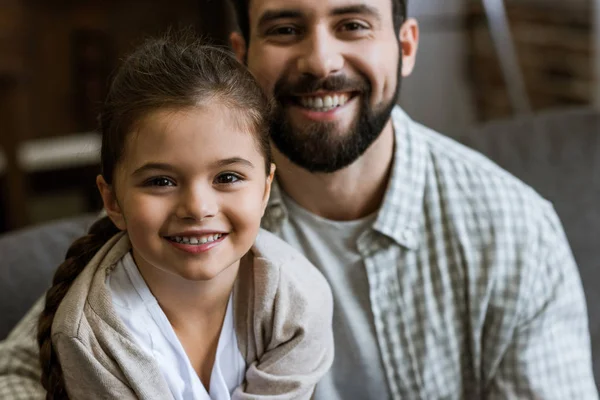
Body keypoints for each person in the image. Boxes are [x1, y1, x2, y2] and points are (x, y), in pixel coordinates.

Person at [0, 0, 597, 399]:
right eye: (285, 29)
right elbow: (28, 366)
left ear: (406, 46)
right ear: (242, 53)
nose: (320, 61)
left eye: (353, 24)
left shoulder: (514, 228)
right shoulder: (185, 232)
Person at [34, 34, 333, 400]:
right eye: (161, 181)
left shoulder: (299, 301)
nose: (197, 207)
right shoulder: (89, 337)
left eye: (227, 178)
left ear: (265, 189)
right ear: (111, 200)